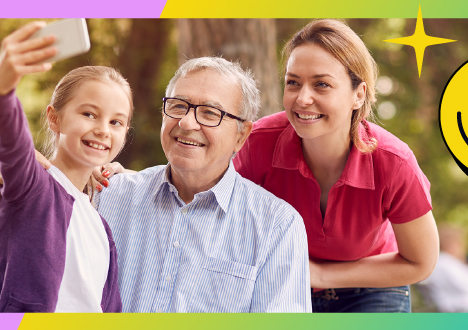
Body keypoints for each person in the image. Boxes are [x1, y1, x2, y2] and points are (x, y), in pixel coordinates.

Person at [233, 19, 439, 313]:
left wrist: (319, 274)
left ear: (358, 94)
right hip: (284, 282)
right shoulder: (257, 145)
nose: (303, 98)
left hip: (372, 287)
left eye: (322, 84)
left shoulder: (394, 163)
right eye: (293, 82)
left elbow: (420, 261)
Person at [91, 57, 311, 312]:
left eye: (209, 113)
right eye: (177, 106)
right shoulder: (107, 195)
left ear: (242, 135)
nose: (186, 123)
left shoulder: (277, 227)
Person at [0, 22, 131, 312]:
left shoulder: (101, 228)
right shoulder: (33, 185)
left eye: (116, 122)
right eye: (89, 114)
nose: (103, 130)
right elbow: (11, 138)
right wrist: (4, 87)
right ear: (54, 118)